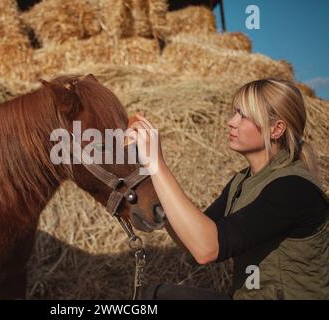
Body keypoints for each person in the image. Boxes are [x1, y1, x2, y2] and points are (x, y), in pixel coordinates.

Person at [130, 78, 328, 300]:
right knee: (156, 296)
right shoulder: (241, 182)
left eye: (244, 116)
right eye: (234, 113)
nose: (231, 122)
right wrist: (153, 195)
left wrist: (158, 165)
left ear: (276, 129)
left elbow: (207, 249)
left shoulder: (293, 189)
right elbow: (193, 241)